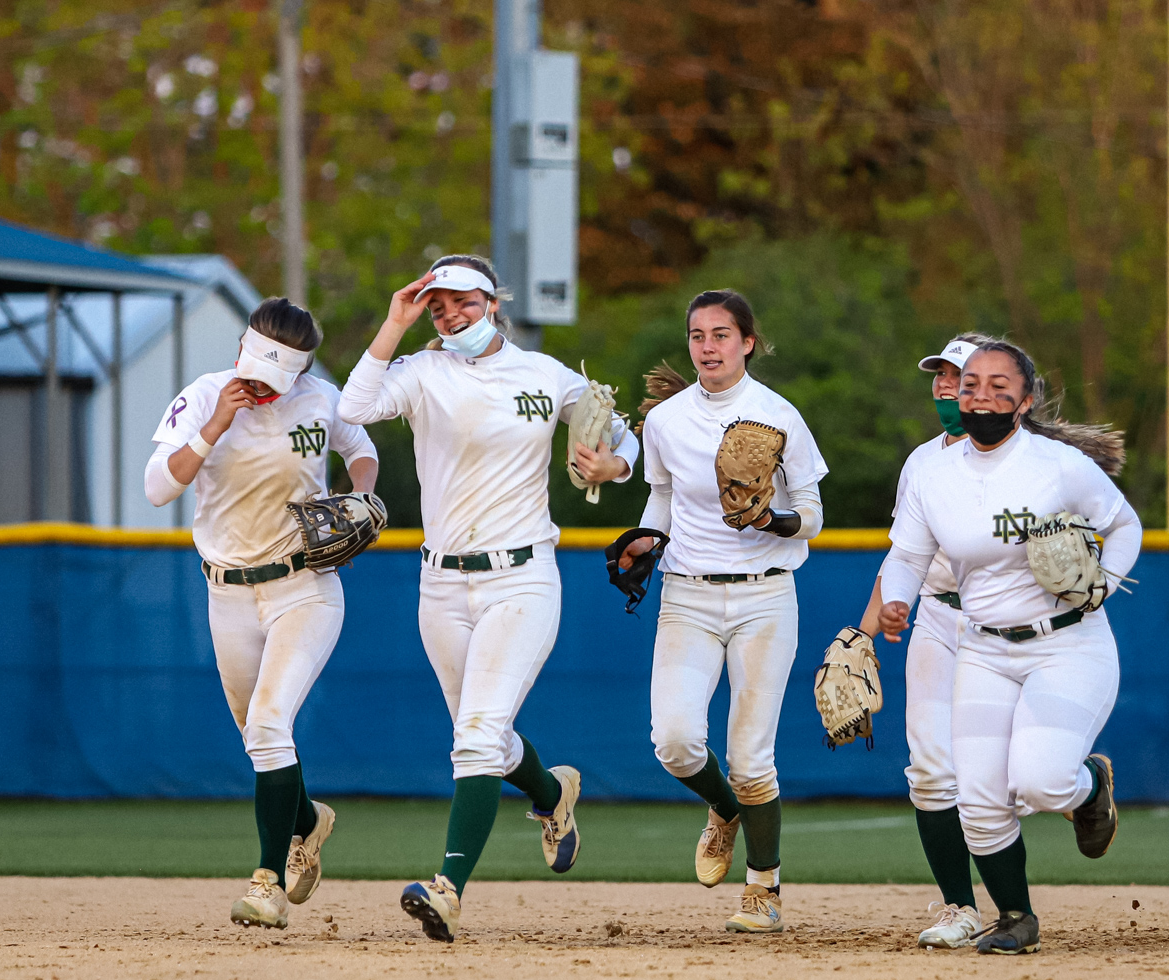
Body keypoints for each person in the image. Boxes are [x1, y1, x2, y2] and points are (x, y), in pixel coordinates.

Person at [339, 256, 640, 942]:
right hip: (441, 582)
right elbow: (351, 408)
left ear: (492, 302)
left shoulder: (545, 375)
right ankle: (551, 793)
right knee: (485, 738)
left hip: (522, 576)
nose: (449, 315)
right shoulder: (421, 373)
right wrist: (394, 324)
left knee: (475, 737)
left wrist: (614, 463)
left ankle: (447, 888)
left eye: (461, 302)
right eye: (437, 305)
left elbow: (625, 437)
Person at [854, 334, 1126, 949]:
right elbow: (905, 556)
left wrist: (1102, 578)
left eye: (965, 375)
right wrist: (868, 627)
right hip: (943, 621)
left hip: (1036, 627)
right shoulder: (925, 466)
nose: (951, 386)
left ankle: (1081, 789)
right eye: (944, 376)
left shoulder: (1042, 460)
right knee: (934, 773)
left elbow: (1113, 521)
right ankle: (971, 909)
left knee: (1027, 779)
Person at [145, 297, 378, 930]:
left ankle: (268, 881)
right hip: (228, 594)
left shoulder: (320, 398)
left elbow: (360, 447)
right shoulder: (205, 396)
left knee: (271, 726)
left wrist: (360, 493)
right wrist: (215, 423)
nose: (260, 388)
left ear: (300, 371)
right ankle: (309, 820)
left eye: (278, 380)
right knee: (258, 737)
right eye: (254, 372)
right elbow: (158, 486)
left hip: (305, 585)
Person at [615, 290, 826, 933]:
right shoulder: (668, 421)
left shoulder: (778, 415)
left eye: (722, 335)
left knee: (751, 758)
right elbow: (662, 499)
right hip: (689, 593)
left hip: (765, 594)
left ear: (748, 342)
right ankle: (725, 811)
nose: (708, 347)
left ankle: (763, 888)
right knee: (675, 742)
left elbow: (813, 516)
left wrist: (773, 517)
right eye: (698, 336)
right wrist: (646, 542)